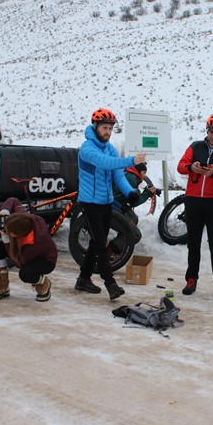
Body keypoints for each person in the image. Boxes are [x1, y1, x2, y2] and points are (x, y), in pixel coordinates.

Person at [75, 108, 146, 300]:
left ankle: (83, 279)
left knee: (96, 241)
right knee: (100, 243)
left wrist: (130, 192)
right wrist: (131, 160)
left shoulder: (110, 148)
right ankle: (110, 284)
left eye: (110, 128)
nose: (107, 131)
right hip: (89, 203)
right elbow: (105, 163)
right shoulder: (87, 148)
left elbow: (118, 175)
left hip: (105, 203)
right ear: (95, 127)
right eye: (104, 127)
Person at [176, 114, 213, 299]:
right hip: (193, 200)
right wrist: (191, 168)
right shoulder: (195, 147)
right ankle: (191, 279)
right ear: (207, 130)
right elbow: (180, 166)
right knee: (193, 243)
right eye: (211, 131)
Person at [0, 197, 57, 302]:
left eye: (9, 231)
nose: (6, 230)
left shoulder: (36, 243)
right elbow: (13, 200)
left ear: (19, 234)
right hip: (21, 250)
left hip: (45, 260)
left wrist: (6, 239)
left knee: (25, 274)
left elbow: (18, 262)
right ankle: (3, 284)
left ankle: (43, 283)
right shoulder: (24, 218)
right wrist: (4, 211)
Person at [111, 162, 161, 243]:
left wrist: (147, 192)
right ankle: (113, 250)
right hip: (113, 208)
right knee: (135, 235)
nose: (144, 176)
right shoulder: (131, 179)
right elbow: (133, 201)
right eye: (144, 172)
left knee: (133, 218)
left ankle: (121, 246)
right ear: (138, 171)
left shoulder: (129, 175)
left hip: (116, 205)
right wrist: (147, 194)